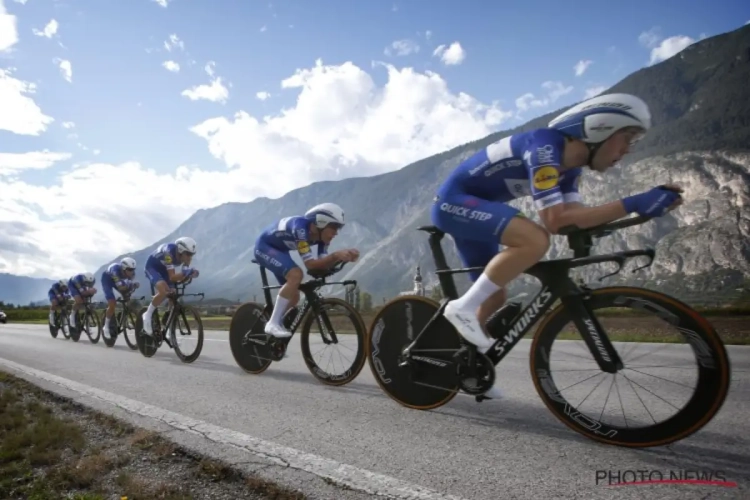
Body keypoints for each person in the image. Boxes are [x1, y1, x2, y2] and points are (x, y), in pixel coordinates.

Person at [431, 93, 683, 399]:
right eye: (627, 137)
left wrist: (640, 206)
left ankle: (469, 367)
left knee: (495, 295)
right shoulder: (544, 148)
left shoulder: (570, 169)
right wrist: (632, 202)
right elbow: (554, 221)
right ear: (600, 128)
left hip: (477, 210)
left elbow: (573, 220)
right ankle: (462, 308)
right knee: (536, 238)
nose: (628, 150)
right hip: (453, 204)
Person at [254, 202, 360, 338]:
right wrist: (336, 255)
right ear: (321, 222)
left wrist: (344, 258)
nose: (336, 233)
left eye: (338, 228)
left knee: (294, 297)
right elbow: (311, 265)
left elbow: (322, 265)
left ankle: (273, 331)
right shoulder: (300, 229)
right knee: (296, 274)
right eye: (334, 227)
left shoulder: (322, 239)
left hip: (280, 251)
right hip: (264, 247)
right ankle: (273, 323)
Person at [141, 237, 199, 336]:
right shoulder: (169, 253)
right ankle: (148, 314)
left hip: (164, 269)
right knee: (163, 291)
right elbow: (172, 277)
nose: (190, 258)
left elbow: (182, 275)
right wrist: (188, 273)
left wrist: (189, 274)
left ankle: (168, 324)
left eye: (192, 255)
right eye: (188, 254)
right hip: (152, 267)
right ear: (181, 251)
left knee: (172, 293)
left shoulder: (185, 258)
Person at [101, 257, 140, 335]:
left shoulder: (132, 273)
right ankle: (106, 326)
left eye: (133, 269)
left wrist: (131, 287)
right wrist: (132, 285)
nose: (131, 272)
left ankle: (125, 318)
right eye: (129, 269)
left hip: (118, 281)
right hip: (107, 281)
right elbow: (121, 287)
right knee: (112, 303)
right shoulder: (115, 270)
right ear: (123, 268)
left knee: (127, 297)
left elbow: (127, 286)